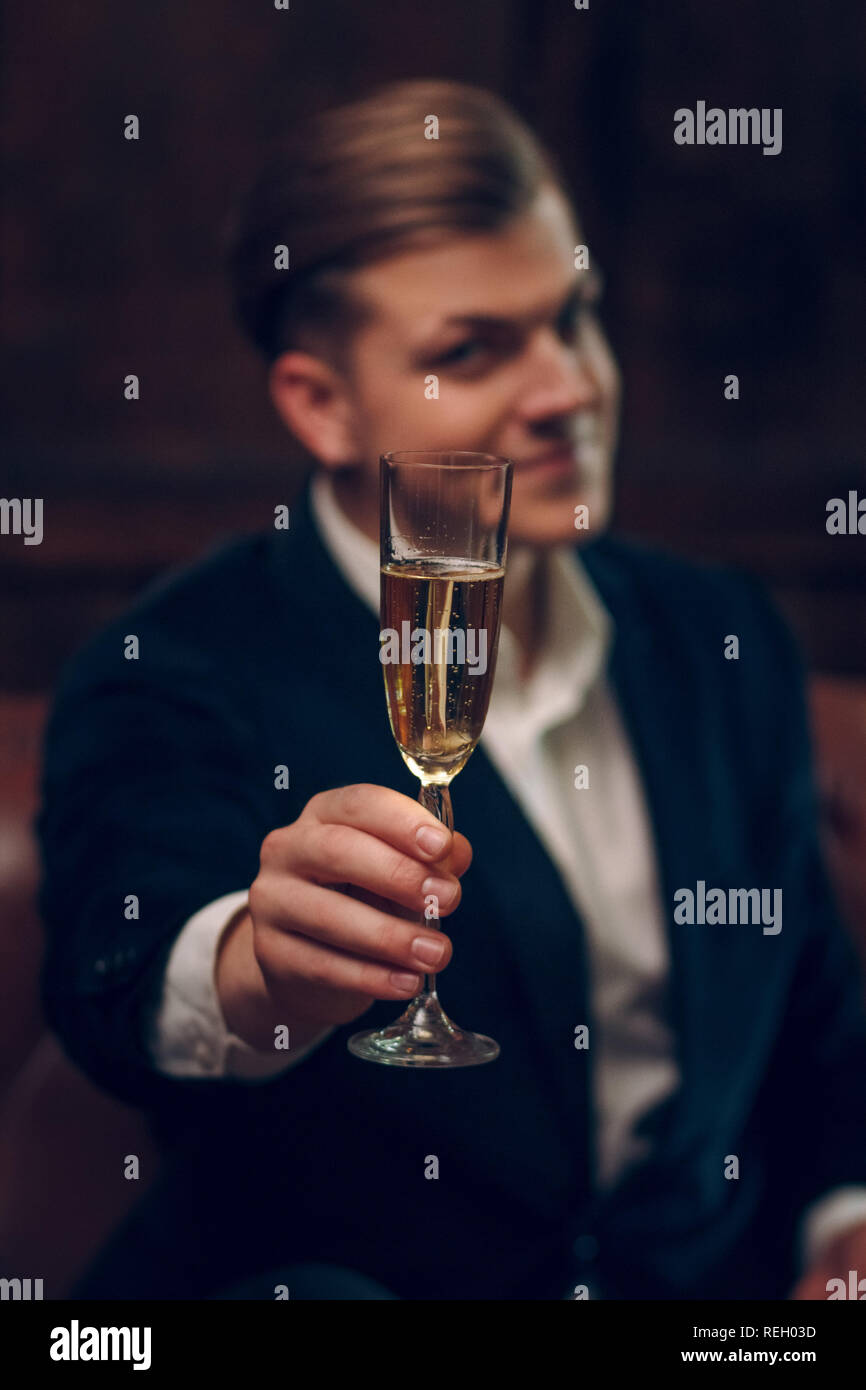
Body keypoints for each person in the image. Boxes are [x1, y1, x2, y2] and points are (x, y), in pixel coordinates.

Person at [36, 78, 866, 1301]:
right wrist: (262, 967)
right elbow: (122, 972)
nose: (568, 388)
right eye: (471, 349)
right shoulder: (175, 666)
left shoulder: (718, 634)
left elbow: (819, 1035)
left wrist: (844, 1235)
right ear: (318, 404)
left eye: (572, 319)